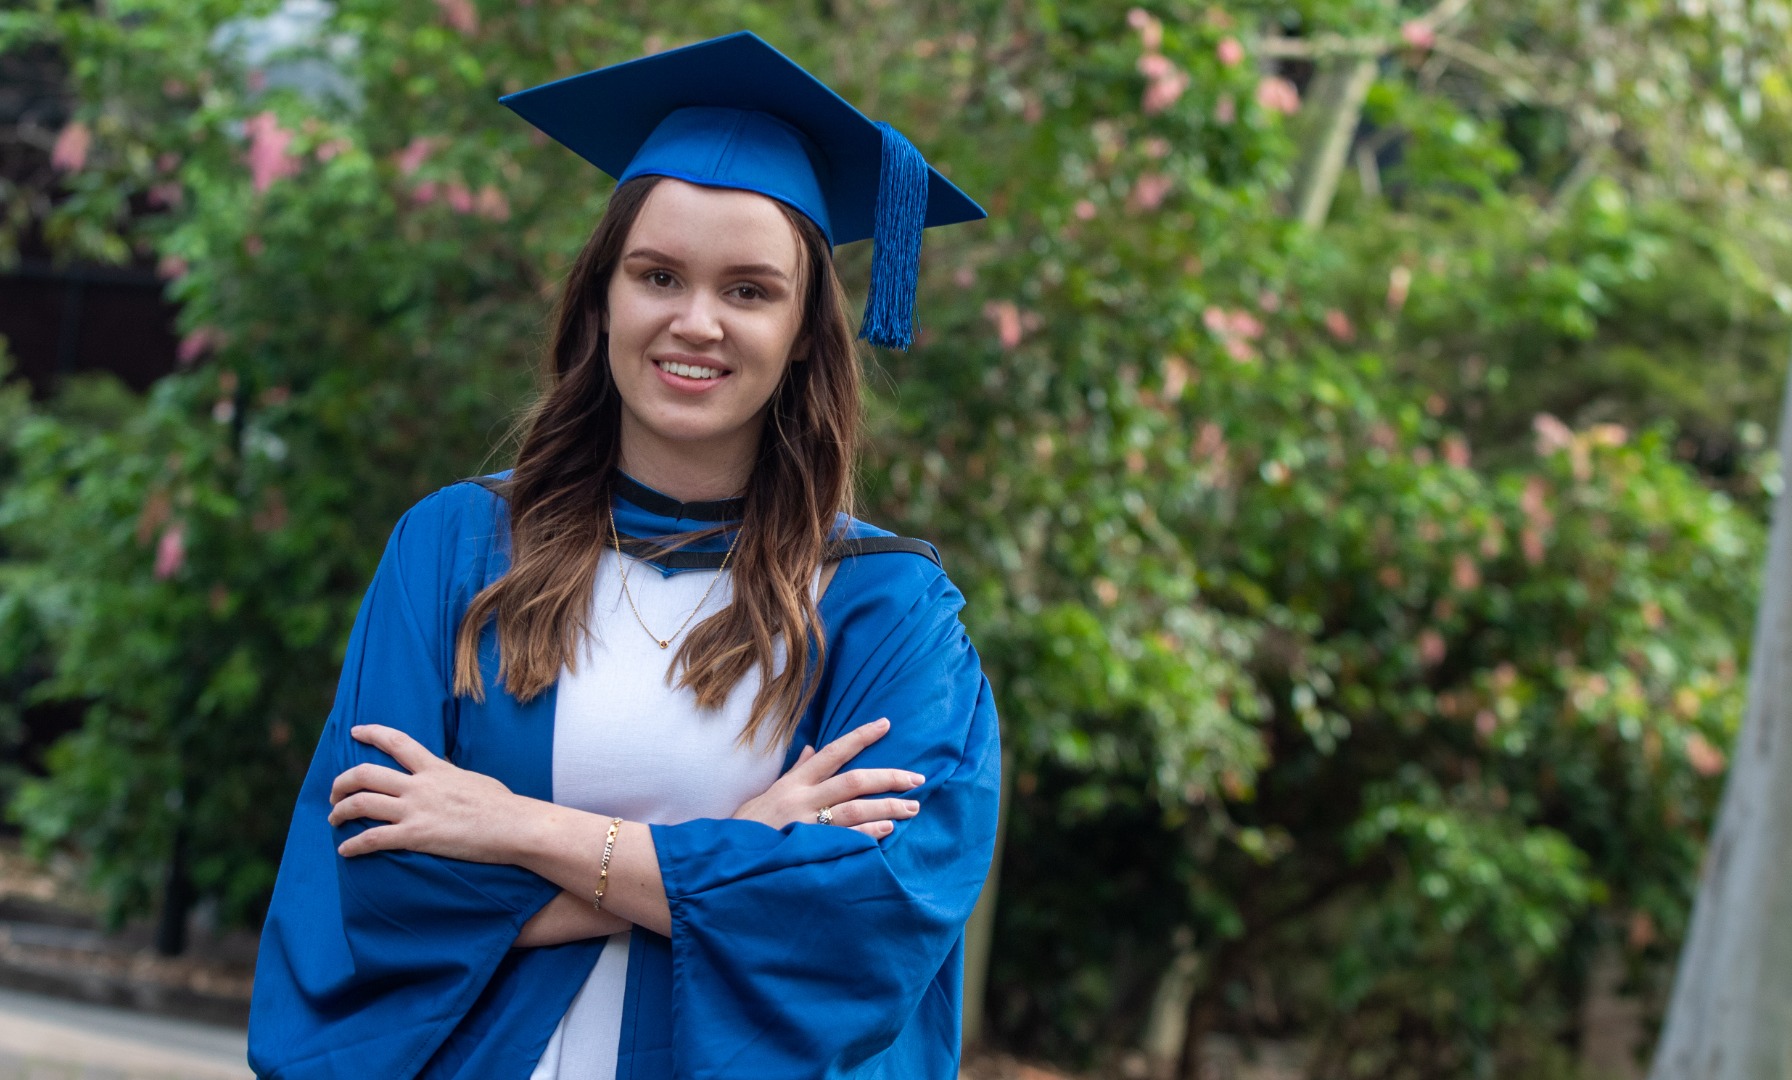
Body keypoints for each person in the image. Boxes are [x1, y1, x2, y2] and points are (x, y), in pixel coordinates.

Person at [245, 30, 1002, 1080]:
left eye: (748, 290)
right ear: (603, 297)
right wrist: (737, 854)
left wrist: (510, 827)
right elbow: (372, 888)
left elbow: (866, 916)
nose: (696, 322)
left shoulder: (885, 610)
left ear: (801, 334)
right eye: (658, 275)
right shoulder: (458, 549)